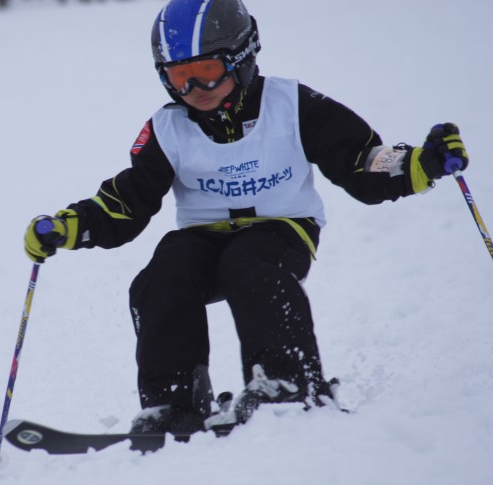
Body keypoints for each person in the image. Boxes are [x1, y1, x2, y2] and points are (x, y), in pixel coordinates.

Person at [23, 0, 468, 434]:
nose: (196, 89)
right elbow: (128, 199)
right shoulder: (167, 128)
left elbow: (360, 160)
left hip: (282, 227)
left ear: (242, 57)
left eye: (208, 71)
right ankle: (173, 401)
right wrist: (71, 226)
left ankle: (286, 382)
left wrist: (420, 163)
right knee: (162, 276)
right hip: (202, 235)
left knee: (249, 266)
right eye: (180, 77)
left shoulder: (292, 104)